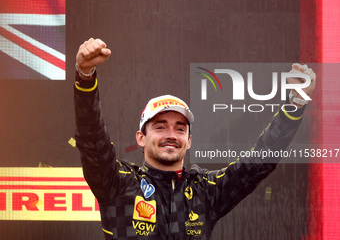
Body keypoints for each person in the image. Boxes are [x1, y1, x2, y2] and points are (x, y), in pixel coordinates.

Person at [74, 38, 316, 240]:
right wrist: (85, 76)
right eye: (160, 127)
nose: (171, 135)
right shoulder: (118, 184)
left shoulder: (205, 192)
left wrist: (295, 104)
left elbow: (260, 161)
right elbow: (92, 137)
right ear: (141, 137)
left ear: (189, 141)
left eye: (180, 129)